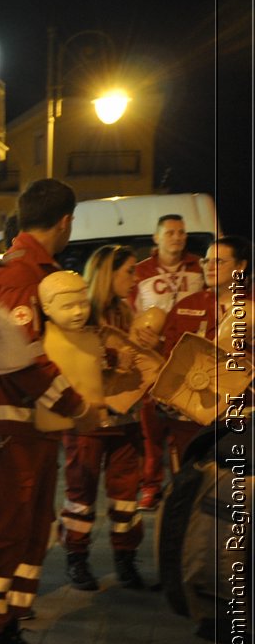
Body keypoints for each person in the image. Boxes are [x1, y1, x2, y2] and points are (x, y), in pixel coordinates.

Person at [0, 180, 99, 644]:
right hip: (7, 433)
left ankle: (7, 631)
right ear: (65, 221)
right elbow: (25, 357)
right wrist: (76, 405)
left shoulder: (33, 273)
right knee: (3, 536)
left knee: (29, 533)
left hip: (27, 432)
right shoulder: (20, 275)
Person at [58, 248, 146, 591]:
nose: (134, 279)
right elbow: (71, 356)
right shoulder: (81, 313)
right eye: (128, 272)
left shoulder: (126, 311)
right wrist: (111, 356)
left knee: (126, 497)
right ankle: (76, 560)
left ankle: (126, 560)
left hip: (125, 420)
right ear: (109, 273)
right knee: (80, 494)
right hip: (89, 421)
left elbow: (137, 359)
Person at [133, 236, 246, 473]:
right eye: (206, 261)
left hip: (240, 419)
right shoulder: (187, 305)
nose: (209, 267)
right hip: (188, 421)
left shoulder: (252, 306)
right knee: (188, 485)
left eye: (219, 262)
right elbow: (169, 357)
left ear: (241, 266)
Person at [134, 214, 206, 509]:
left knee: (184, 426)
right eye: (170, 232)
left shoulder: (200, 268)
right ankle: (151, 485)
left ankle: (184, 483)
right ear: (156, 237)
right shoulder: (141, 272)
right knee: (151, 429)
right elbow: (132, 313)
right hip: (152, 358)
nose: (177, 237)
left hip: (189, 360)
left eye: (181, 232)